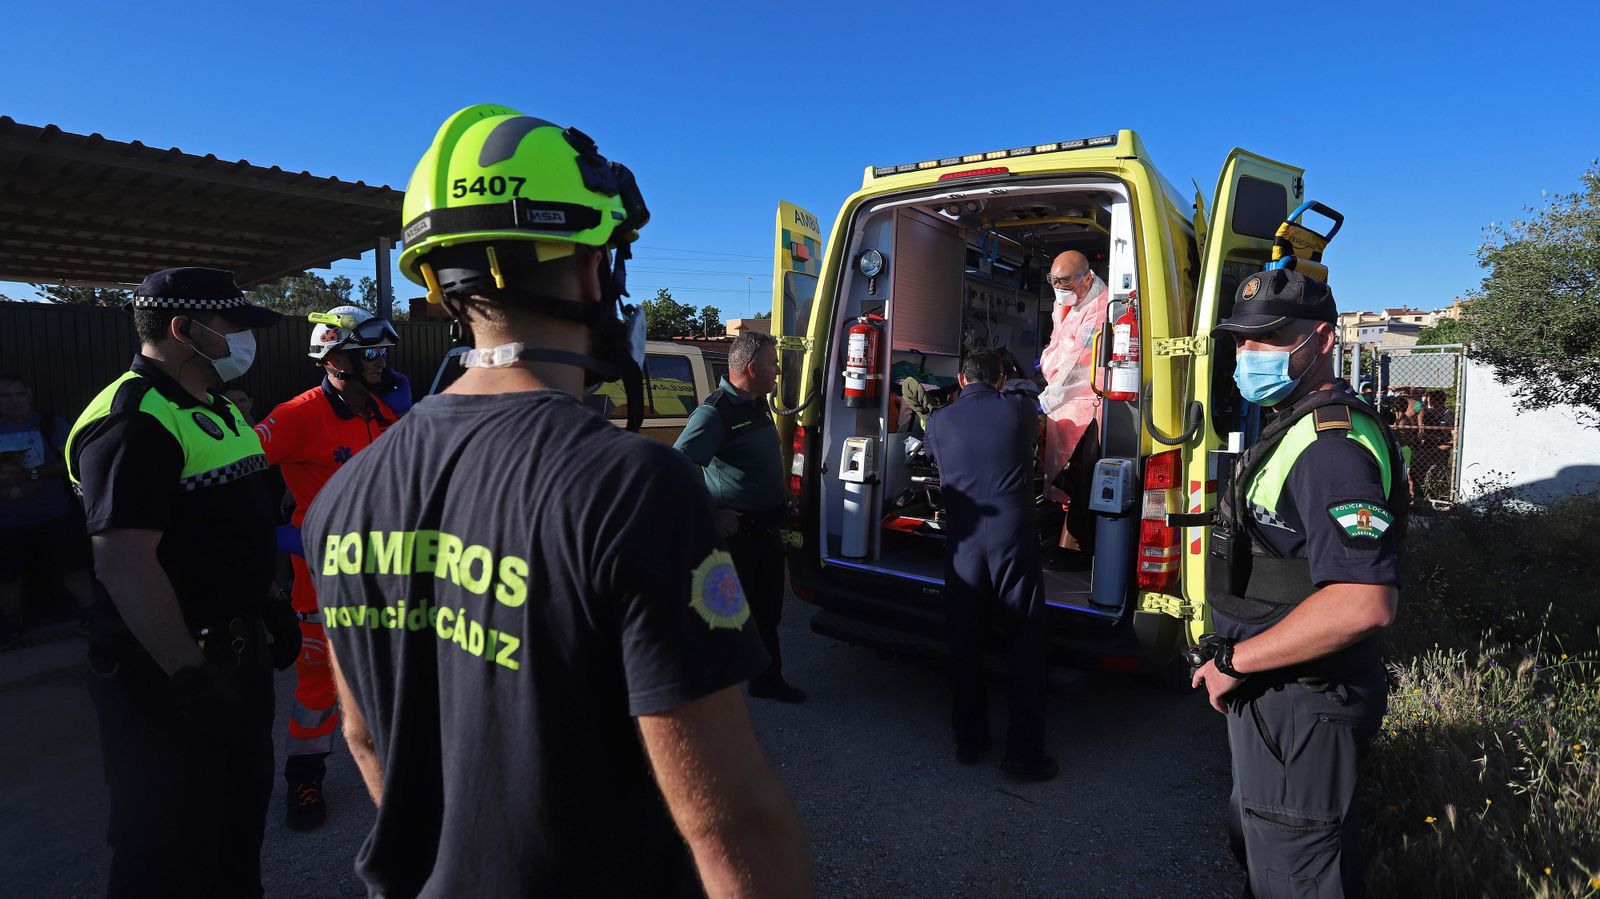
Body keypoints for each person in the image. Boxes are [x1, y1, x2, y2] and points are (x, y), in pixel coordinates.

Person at [302, 105, 809, 897]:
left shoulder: (341, 496)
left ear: (438, 285)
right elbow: (728, 820)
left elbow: (364, 737)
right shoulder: (635, 489)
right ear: (589, 270)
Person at [65, 267, 300, 898]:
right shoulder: (132, 420)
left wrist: (266, 605)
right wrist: (189, 675)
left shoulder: (216, 406)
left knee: (236, 829)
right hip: (167, 673)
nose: (248, 339)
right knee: (168, 848)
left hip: (235, 651)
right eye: (235, 325)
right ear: (182, 329)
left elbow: (231, 526)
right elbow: (123, 562)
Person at [1193, 268, 1407, 897]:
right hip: (1283, 698)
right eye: (1241, 341)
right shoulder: (1293, 423)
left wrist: (1237, 659)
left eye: (1269, 340)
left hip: (1305, 698)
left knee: (1298, 872)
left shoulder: (1331, 446)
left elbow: (1362, 601)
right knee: (1271, 850)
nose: (1249, 354)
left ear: (1322, 339)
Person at [254, 304, 400, 831]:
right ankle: (304, 777)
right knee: (318, 685)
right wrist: (281, 535)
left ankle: (394, 767)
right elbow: (239, 470)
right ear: (335, 358)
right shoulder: (296, 415)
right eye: (370, 353)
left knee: (388, 675)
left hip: (385, 576)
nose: (381, 361)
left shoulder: (385, 413)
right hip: (320, 582)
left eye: (383, 352)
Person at [922, 347, 1055, 781]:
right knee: (1024, 641)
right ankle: (1023, 755)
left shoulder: (939, 421)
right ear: (1000, 379)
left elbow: (935, 460)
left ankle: (969, 741)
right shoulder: (1019, 411)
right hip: (1011, 536)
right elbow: (1035, 409)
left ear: (961, 381)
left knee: (963, 642)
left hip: (963, 540)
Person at [674, 330, 806, 704]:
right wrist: (714, 512)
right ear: (752, 367)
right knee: (724, 616)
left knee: (767, 613)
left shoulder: (757, 404)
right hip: (737, 538)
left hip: (766, 530)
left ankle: (766, 681)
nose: (778, 370)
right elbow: (677, 466)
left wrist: (781, 496)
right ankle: (705, 694)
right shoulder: (715, 412)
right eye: (774, 363)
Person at [0, 372, 97, 644]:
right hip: (6, 522)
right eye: (6, 396)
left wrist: (32, 475)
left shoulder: (48, 424)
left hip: (55, 514)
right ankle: (12, 627)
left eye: (20, 394)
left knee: (73, 569)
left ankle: (93, 618)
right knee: (8, 578)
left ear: (29, 396)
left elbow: (73, 461)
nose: (14, 401)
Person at [1038, 250, 1111, 550]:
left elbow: (1078, 367)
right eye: (1054, 283)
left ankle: (1074, 549)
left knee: (1079, 482)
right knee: (1065, 481)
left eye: (1065, 284)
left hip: (1085, 412)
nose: (1059, 290)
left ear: (1087, 278)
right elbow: (1057, 343)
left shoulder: (1100, 309)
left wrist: (1041, 403)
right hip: (1063, 406)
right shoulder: (1069, 299)